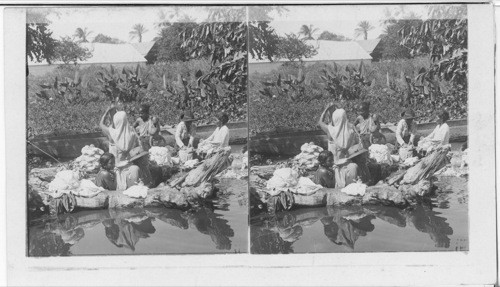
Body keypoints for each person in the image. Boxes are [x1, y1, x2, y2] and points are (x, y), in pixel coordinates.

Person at [100, 108, 153, 190]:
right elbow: (137, 151)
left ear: (115, 121)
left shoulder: (112, 134)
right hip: (129, 168)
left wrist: (106, 112)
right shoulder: (132, 134)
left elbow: (101, 124)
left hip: (114, 169)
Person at [318, 104, 361, 188]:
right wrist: (339, 107)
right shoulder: (351, 131)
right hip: (349, 167)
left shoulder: (330, 131)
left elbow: (320, 122)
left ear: (335, 118)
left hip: (333, 167)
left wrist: (326, 109)